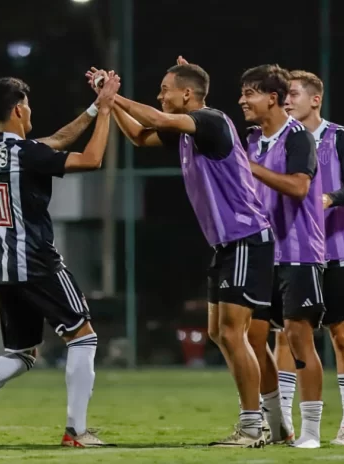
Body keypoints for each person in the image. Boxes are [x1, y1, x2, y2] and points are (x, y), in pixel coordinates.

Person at [87, 57, 274, 448]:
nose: (160, 95)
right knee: (218, 333)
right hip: (226, 244)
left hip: (246, 238)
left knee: (232, 333)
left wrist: (116, 95)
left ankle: (255, 426)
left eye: (165, 89)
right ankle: (261, 421)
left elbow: (159, 120)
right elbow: (140, 136)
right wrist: (111, 103)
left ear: (187, 94)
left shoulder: (210, 121)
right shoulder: (189, 131)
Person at [0, 74, 121, 448]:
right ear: (20, 108)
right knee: (83, 337)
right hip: (36, 260)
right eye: (28, 105)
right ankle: (76, 431)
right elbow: (92, 158)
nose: (31, 110)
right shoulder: (27, 154)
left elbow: (53, 143)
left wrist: (91, 108)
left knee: (21, 353)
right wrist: (105, 112)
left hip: (4, 266)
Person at [275, 69, 344, 446]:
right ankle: (283, 420)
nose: (287, 100)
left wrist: (329, 198)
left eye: (294, 94)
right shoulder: (279, 141)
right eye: (284, 94)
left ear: (315, 99)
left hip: (337, 249)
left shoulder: (340, 137)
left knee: (342, 334)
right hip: (294, 251)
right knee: (287, 336)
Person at [240, 64, 326, 449]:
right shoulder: (251, 139)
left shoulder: (299, 138)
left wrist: (251, 170)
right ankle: (278, 427)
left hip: (299, 251)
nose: (242, 101)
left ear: (271, 98)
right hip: (263, 253)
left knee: (297, 337)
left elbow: (298, 187)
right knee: (253, 339)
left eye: (250, 94)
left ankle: (311, 431)